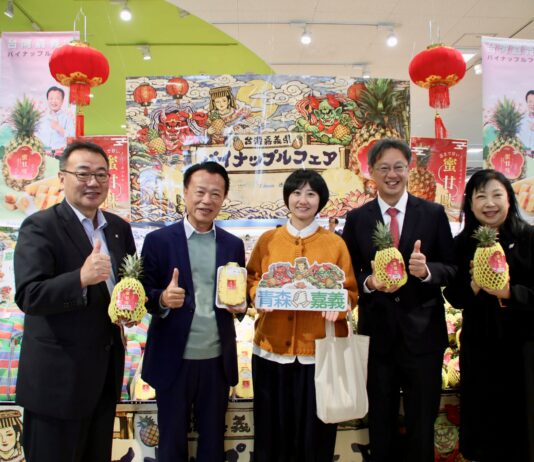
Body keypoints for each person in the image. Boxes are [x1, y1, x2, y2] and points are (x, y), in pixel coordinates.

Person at [13, 140, 136, 461]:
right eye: (83, 174)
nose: (93, 182)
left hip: (103, 377)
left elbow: (125, 284)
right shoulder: (40, 226)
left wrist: (129, 308)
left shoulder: (118, 229)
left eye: (101, 174)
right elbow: (29, 295)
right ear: (62, 178)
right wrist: (80, 278)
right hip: (57, 384)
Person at [342, 138, 456, 462]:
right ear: (371, 172)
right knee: (381, 423)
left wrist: (427, 271)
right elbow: (348, 272)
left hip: (423, 337)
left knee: (422, 424)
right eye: (383, 168)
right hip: (379, 338)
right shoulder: (357, 218)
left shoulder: (433, 214)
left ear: (409, 169)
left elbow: (451, 267)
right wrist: (369, 282)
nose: (391, 175)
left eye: (398, 167)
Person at [247, 169, 358, 462]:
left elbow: (350, 292)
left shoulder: (335, 244)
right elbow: (251, 278)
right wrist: (258, 294)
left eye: (311, 193)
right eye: (296, 193)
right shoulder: (268, 240)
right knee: (272, 437)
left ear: (321, 200)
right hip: (271, 351)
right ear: (287, 198)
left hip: (319, 354)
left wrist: (340, 304)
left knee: (316, 438)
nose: (303, 200)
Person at [140, 161, 246, 462]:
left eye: (215, 194)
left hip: (217, 359)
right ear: (185, 193)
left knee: (213, 443)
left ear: (223, 199)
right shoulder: (158, 241)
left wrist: (242, 306)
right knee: (171, 444)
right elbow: (143, 292)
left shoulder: (232, 244)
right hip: (173, 359)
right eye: (200, 192)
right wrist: (162, 298)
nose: (206, 200)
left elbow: (238, 293)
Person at [443, 169, 534, 462]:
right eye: (481, 196)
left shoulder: (528, 238)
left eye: (497, 195)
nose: (489, 203)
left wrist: (509, 292)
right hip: (480, 347)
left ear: (509, 199)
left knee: (522, 427)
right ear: (470, 204)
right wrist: (474, 283)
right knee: (483, 426)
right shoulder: (462, 244)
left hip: (522, 348)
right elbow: (454, 296)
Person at [36, 86, 75, 152]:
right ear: (47, 100)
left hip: (61, 154)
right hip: (43, 153)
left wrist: (58, 128)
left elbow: (71, 137)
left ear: (62, 101)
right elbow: (37, 136)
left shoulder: (67, 118)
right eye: (51, 98)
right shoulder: (42, 118)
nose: (53, 101)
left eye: (57, 98)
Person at [519, 90, 534, 156]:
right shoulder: (521, 120)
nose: (532, 104)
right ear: (526, 102)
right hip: (523, 157)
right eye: (530, 101)